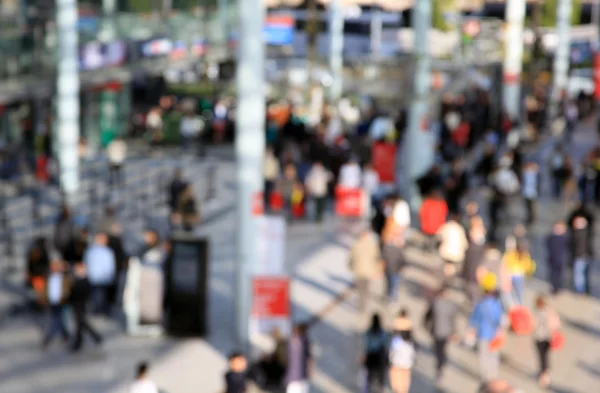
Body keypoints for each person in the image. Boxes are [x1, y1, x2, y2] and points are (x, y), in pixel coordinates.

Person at [466, 273, 504, 387]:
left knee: (483, 356)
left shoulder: (480, 304)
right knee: (493, 355)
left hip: (483, 334)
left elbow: (474, 319)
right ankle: (493, 375)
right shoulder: (497, 304)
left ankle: (486, 376)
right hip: (494, 334)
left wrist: (470, 331)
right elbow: (500, 320)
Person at [423, 285, 460, 382]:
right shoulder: (449, 305)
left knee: (438, 350)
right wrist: (454, 331)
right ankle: (441, 364)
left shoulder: (435, 303)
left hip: (437, 331)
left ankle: (440, 365)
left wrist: (426, 326)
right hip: (445, 332)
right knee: (442, 349)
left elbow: (427, 317)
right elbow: (453, 320)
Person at [69, 261, 103, 352]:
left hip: (81, 304)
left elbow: (84, 294)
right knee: (81, 324)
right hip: (76, 304)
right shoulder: (75, 280)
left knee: (81, 323)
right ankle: (95, 338)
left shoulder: (85, 281)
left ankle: (79, 343)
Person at [349, 225, 383, 311]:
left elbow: (351, 257)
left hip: (358, 270)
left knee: (360, 288)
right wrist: (377, 270)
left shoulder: (356, 244)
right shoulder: (372, 245)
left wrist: (350, 266)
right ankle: (364, 302)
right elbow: (377, 257)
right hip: (368, 271)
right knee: (366, 287)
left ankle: (361, 303)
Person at [42, 258, 71, 349]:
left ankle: (53, 336)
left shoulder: (64, 277)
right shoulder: (48, 277)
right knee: (55, 319)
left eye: (56, 266)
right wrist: (44, 298)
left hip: (61, 301)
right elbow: (45, 290)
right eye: (53, 266)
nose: (54, 268)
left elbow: (69, 288)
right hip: (52, 301)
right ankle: (63, 334)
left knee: (59, 319)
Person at [84, 232, 116, 315]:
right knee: (96, 296)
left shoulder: (107, 251)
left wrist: (110, 276)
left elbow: (110, 265)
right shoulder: (91, 250)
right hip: (94, 277)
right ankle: (97, 311)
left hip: (104, 278)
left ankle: (101, 311)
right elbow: (87, 263)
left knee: (102, 296)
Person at [533, 295, 561, 389]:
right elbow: (556, 323)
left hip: (539, 338)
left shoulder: (536, 312)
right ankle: (546, 372)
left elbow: (533, 324)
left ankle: (544, 374)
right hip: (547, 337)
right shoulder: (549, 311)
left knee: (542, 357)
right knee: (546, 357)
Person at [568, 207, 594, 294]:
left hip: (580, 255)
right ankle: (582, 289)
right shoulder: (585, 232)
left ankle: (581, 289)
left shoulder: (580, 233)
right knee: (581, 274)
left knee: (579, 274)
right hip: (582, 255)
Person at [437, 213, 469, 282]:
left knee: (447, 265)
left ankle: (446, 278)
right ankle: (448, 279)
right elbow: (465, 243)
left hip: (447, 251)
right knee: (451, 266)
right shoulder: (460, 229)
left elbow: (439, 235)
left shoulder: (447, 226)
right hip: (456, 253)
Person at [362, 315, 388, 393]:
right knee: (380, 378)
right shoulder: (382, 333)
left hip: (371, 358)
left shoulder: (369, 332)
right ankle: (380, 389)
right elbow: (385, 345)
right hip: (380, 358)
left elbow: (366, 347)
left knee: (370, 378)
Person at [388, 326, 415, 393]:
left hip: (396, 367)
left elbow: (391, 352)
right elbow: (412, 356)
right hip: (405, 368)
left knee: (396, 388)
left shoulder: (397, 342)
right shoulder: (410, 345)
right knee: (403, 389)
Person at [286, 324, 312, 393]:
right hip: (298, 378)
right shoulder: (303, 340)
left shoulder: (292, 341)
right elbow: (309, 359)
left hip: (295, 378)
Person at [546, 221, 569, 294]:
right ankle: (553, 287)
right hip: (552, 259)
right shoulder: (550, 238)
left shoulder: (564, 238)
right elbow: (548, 246)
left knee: (559, 274)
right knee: (553, 274)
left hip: (560, 259)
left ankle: (558, 287)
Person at [263, 146, 281, 213]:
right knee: (264, 194)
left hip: (271, 179)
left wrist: (274, 177)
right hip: (264, 179)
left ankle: (270, 208)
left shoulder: (274, 161)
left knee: (271, 194)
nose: (268, 153)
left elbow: (276, 170)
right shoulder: (262, 160)